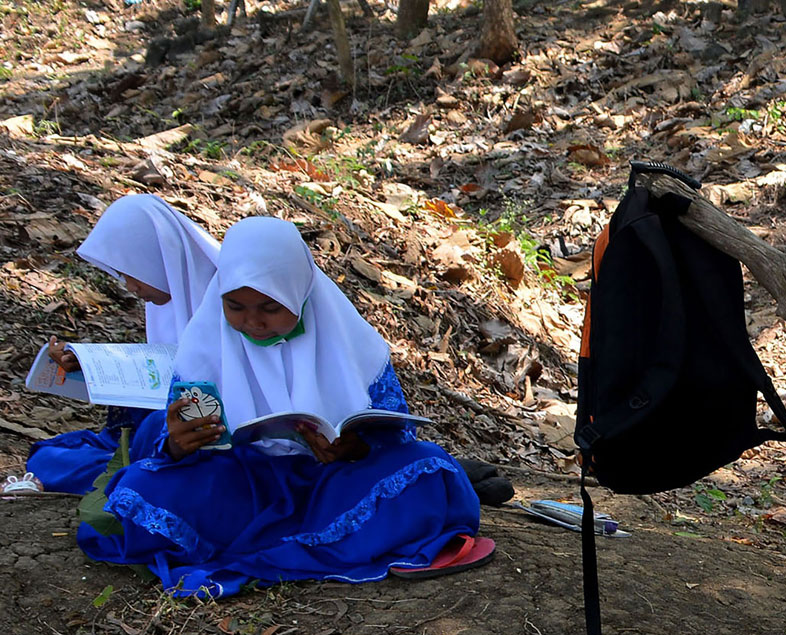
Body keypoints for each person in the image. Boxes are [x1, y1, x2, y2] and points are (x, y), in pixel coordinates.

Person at [77, 217, 482, 597]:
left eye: (270, 308)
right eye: (235, 306)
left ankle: (289, 544)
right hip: (242, 485)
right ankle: (338, 542)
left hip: (335, 482)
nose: (253, 322)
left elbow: (397, 435)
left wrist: (357, 446)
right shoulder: (203, 345)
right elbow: (174, 443)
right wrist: (178, 445)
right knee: (141, 487)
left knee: (428, 467)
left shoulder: (356, 344)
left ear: (299, 291)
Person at [27, 195, 220, 494]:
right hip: (150, 434)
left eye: (132, 273)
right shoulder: (164, 306)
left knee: (153, 434)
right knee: (47, 458)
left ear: (157, 259)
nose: (130, 287)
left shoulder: (229, 303)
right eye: (122, 276)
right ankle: (131, 473)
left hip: (199, 438)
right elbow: (155, 373)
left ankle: (135, 477)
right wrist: (88, 367)